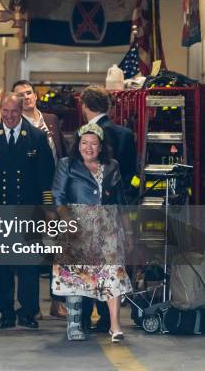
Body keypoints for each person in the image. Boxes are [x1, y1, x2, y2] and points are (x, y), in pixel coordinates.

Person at [0, 93, 55, 330]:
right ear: (0, 109)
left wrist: (46, 209)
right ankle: (6, 312)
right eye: (5, 110)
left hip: (28, 211)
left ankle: (28, 312)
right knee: (1, 265)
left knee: (28, 267)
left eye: (13, 111)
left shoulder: (37, 137)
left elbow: (46, 177)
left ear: (22, 110)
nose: (9, 116)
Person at [52, 123, 133, 343]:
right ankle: (75, 324)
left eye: (94, 143)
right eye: (84, 142)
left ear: (101, 146)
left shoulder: (112, 166)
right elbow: (58, 197)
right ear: (78, 145)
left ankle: (115, 326)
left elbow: (121, 200)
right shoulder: (66, 165)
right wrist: (68, 222)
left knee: (113, 274)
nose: (88, 147)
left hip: (108, 227)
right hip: (77, 225)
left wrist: (129, 232)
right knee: (77, 276)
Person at [79, 85, 137, 331]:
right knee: (109, 266)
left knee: (84, 267)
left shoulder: (83, 135)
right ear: (108, 106)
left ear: (84, 106)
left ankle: (81, 319)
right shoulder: (124, 134)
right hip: (113, 212)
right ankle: (106, 318)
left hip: (85, 211)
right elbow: (133, 176)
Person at [12, 79, 68, 318]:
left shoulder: (51, 120)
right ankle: (30, 307)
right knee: (32, 251)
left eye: (29, 93)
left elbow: (62, 152)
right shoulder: (16, 125)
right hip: (33, 196)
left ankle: (58, 302)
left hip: (57, 192)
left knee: (60, 250)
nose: (26, 97)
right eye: (21, 95)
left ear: (35, 95)